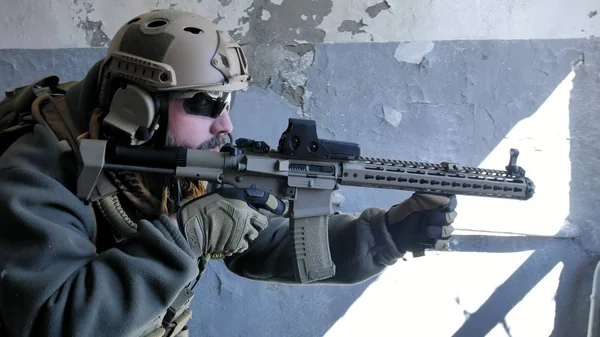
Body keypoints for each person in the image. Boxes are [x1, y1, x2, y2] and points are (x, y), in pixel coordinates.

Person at [0, 9, 457, 337]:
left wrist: (385, 236)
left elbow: (263, 242)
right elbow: (53, 322)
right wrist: (186, 234)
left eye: (228, 103)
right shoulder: (35, 173)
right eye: (205, 104)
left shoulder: (176, 156)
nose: (226, 125)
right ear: (137, 107)